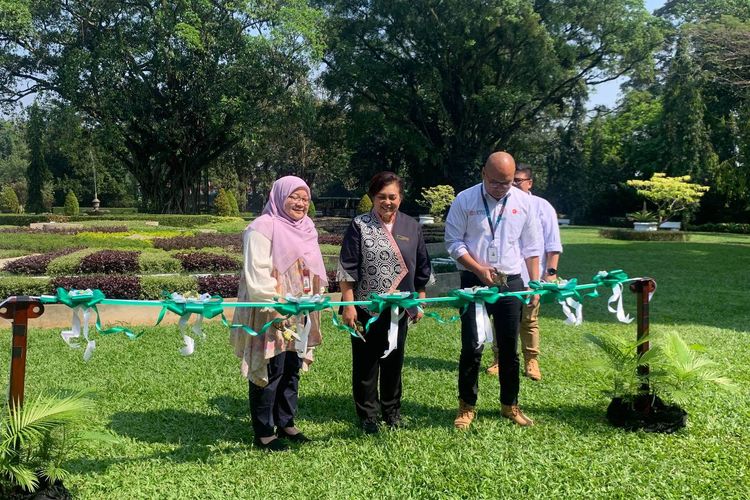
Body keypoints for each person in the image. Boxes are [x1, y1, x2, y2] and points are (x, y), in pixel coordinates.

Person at [444, 151, 542, 428]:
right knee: (472, 346)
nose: (500, 188)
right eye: (495, 182)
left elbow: (532, 247)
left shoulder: (524, 202)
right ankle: (466, 407)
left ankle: (510, 405)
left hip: (510, 282)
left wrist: (533, 284)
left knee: (509, 349)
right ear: (483, 174)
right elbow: (453, 242)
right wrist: (478, 269)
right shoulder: (465, 199)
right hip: (474, 280)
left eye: (507, 182)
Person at [230, 176, 327, 452]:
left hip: (300, 311)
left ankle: (286, 422)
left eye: (305, 198)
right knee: (270, 368)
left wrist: (311, 299)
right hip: (270, 311)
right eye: (294, 197)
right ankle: (264, 432)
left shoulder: (307, 227)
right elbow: (256, 275)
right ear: (278, 196)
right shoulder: (262, 227)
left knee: (292, 367)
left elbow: (311, 268)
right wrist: (277, 306)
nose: (300, 203)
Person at [338, 171, 432, 434]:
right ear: (372, 197)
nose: (387, 202)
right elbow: (347, 268)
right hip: (366, 308)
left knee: (394, 359)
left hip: (400, 309)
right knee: (366, 363)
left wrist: (420, 301)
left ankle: (392, 411)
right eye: (381, 197)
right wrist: (349, 305)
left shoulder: (411, 226)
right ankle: (368, 414)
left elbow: (422, 265)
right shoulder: (359, 225)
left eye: (392, 197)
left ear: (400, 198)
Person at [486, 164, 562, 381]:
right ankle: (499, 360)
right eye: (513, 180)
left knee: (529, 320)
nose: (515, 184)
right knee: (501, 320)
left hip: (530, 276)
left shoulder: (542, 206)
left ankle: (531, 360)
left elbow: (553, 244)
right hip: (505, 275)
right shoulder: (500, 203)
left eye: (519, 180)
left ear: (530, 183)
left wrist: (550, 273)